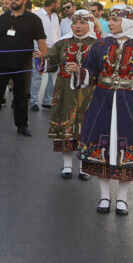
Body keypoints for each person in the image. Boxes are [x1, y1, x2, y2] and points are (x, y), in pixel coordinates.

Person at [72, 5, 133, 216]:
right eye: (109, 19)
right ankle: (104, 196)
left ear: (128, 23)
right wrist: (79, 72)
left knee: (126, 152)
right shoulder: (101, 44)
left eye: (114, 20)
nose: (109, 23)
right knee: (101, 151)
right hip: (102, 101)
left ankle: (122, 199)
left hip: (131, 104)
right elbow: (90, 73)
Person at [0, 0, 47, 136]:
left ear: (24, 1)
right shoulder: (2, 19)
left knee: (21, 96)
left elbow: (41, 39)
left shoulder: (34, 20)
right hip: (2, 63)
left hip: (23, 64)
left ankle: (22, 126)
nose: (13, 1)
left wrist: (43, 56)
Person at [45, 9, 98, 180]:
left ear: (89, 24)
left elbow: (102, 70)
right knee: (65, 126)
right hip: (65, 91)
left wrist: (81, 70)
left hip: (89, 92)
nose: (77, 26)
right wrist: (42, 57)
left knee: (86, 127)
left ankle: (84, 167)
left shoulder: (99, 44)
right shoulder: (63, 42)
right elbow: (51, 62)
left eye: (82, 23)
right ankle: (67, 166)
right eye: (75, 23)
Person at [31, 0, 62, 112]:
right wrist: (37, 48)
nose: (59, 6)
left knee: (52, 76)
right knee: (37, 76)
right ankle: (34, 101)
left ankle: (47, 101)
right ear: (53, 3)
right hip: (39, 50)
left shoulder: (55, 16)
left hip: (54, 51)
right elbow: (33, 34)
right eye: (58, 3)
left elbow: (57, 34)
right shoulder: (37, 15)